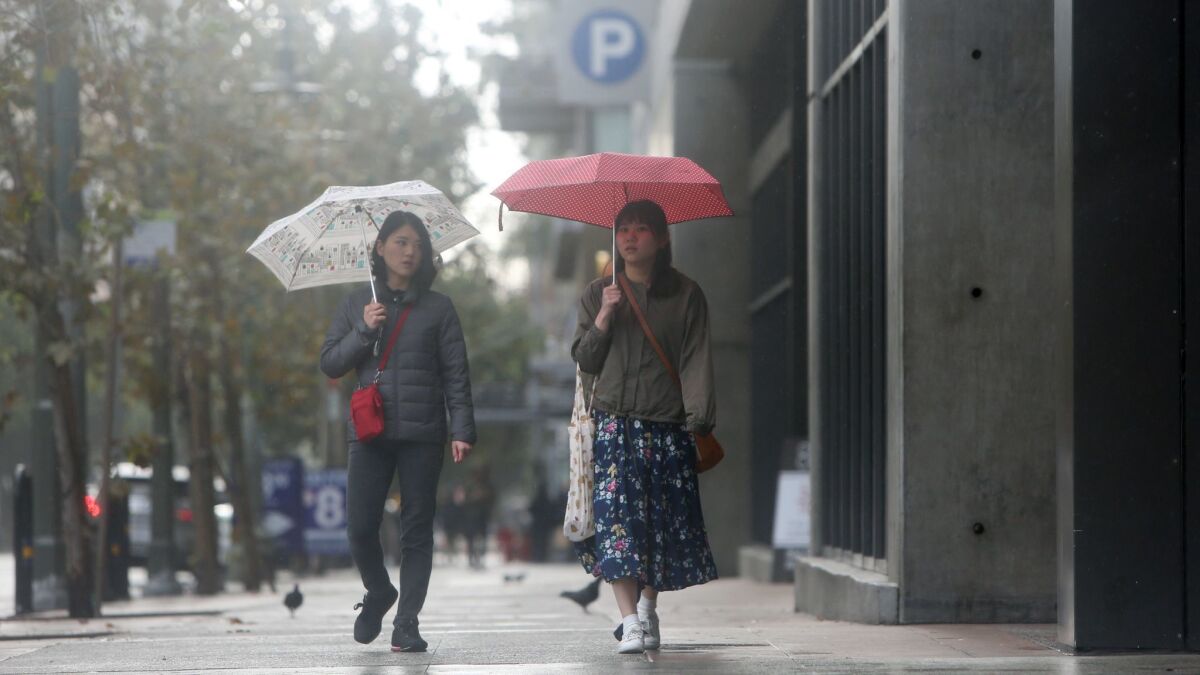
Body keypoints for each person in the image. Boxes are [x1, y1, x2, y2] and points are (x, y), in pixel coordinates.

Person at [320, 210, 476, 653]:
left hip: (423, 432)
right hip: (370, 431)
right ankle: (379, 591)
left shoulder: (439, 307)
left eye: (418, 244)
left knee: (416, 531)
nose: (411, 251)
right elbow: (330, 363)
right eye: (401, 242)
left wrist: (461, 428)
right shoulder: (357, 304)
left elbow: (456, 374)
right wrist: (363, 330)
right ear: (380, 248)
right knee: (359, 527)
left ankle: (407, 622)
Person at [571, 199, 719, 655]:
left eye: (640, 230)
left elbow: (696, 360)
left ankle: (648, 608)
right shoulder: (599, 293)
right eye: (623, 230)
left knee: (660, 525)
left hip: (667, 424)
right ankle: (629, 621)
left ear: (662, 238)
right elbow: (585, 359)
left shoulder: (687, 294)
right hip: (614, 424)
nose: (630, 238)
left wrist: (699, 421)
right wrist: (604, 317)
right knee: (617, 523)